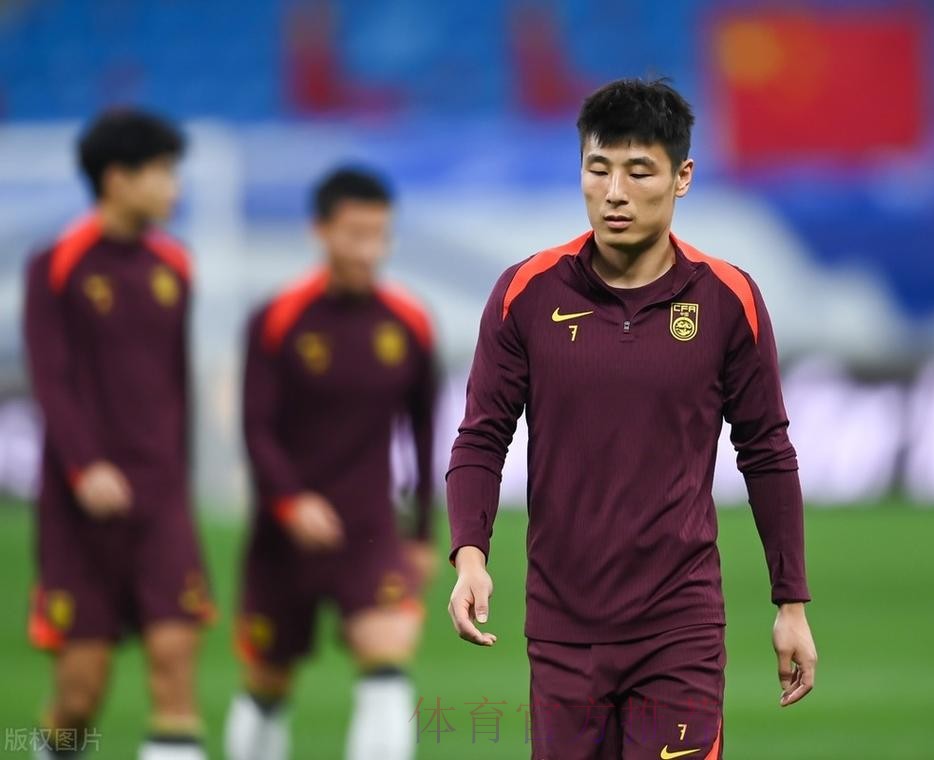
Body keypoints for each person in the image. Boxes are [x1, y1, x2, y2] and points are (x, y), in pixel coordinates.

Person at [446, 78, 819, 758]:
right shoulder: (525, 293)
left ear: (682, 177)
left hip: (680, 628)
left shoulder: (728, 298)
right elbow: (481, 437)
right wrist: (470, 557)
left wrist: (789, 603)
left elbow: (767, 450)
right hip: (562, 629)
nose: (614, 192)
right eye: (598, 169)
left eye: (639, 171)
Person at [224, 167, 439, 760]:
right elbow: (255, 427)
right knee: (268, 682)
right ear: (320, 232)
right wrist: (290, 502)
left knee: (388, 660)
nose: (369, 250)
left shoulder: (409, 321)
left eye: (380, 235)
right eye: (355, 234)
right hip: (282, 538)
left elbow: (425, 434)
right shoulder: (278, 319)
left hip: (369, 528)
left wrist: (423, 533)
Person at [22, 109, 212, 760]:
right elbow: (50, 379)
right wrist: (85, 467)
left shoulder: (175, 264)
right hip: (79, 508)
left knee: (175, 662)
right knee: (81, 693)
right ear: (117, 179)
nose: (174, 186)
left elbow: (176, 382)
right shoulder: (56, 264)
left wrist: (180, 479)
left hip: (161, 500)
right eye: (162, 171)